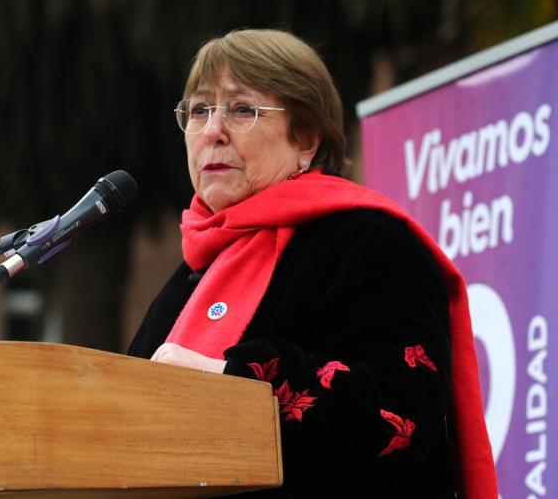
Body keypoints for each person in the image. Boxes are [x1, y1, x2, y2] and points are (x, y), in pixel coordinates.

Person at [127, 29, 497, 498]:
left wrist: (229, 382)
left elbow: (400, 414)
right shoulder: (191, 274)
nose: (212, 131)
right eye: (199, 110)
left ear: (304, 137)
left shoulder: (372, 244)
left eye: (241, 109)